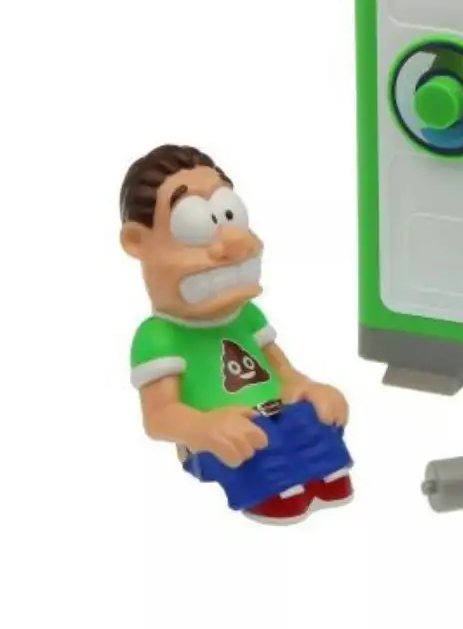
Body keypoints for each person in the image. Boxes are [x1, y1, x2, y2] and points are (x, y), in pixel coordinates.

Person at [121, 144, 353, 523]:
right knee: (258, 447)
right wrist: (202, 426)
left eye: (229, 214)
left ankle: (322, 476)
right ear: (137, 242)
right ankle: (273, 490)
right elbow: (159, 415)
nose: (234, 244)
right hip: (220, 437)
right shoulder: (159, 336)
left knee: (313, 424)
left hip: (278, 412)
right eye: (196, 223)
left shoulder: (245, 316)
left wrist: (309, 388)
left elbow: (282, 370)